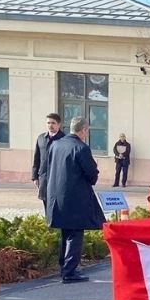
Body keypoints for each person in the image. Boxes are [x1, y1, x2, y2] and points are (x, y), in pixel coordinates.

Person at [46, 116, 102, 284]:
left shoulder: (56, 144)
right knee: (75, 234)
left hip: (57, 196)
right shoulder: (81, 148)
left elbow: (49, 168)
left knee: (65, 232)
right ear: (83, 130)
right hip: (75, 197)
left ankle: (65, 266)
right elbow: (91, 174)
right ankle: (70, 272)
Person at [32, 112, 64, 210]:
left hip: (57, 178)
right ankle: (48, 223)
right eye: (48, 123)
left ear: (59, 124)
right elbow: (37, 158)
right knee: (46, 203)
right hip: (44, 177)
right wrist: (35, 177)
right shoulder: (41, 138)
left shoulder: (64, 139)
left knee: (57, 205)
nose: (50, 125)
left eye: (53, 123)